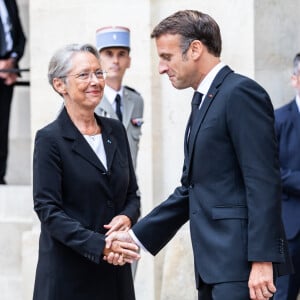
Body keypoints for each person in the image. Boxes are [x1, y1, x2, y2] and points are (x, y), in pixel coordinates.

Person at [105, 10, 292, 300]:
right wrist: (136, 239)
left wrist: (263, 260)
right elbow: (190, 190)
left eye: (166, 57)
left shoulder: (241, 93)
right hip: (212, 266)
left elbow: (263, 180)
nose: (161, 68)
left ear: (195, 49)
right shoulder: (203, 101)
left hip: (241, 266)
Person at [32, 43, 140, 300]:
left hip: (114, 273)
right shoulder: (50, 139)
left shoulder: (116, 130)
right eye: (84, 75)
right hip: (68, 276)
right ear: (60, 85)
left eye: (98, 73)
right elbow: (48, 211)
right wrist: (101, 245)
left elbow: (132, 195)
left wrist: (127, 218)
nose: (96, 81)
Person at [94, 26, 144, 170]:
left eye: (121, 54)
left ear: (129, 60)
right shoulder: (88, 100)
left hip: (129, 187)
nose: (115, 60)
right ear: (98, 60)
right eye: (109, 54)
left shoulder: (136, 101)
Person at [273, 53, 300, 300]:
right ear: (295, 79)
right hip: (290, 229)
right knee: (284, 295)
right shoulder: (278, 119)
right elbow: (271, 169)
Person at [0, 0, 26, 184]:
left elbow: (20, 37)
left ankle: (0, 176)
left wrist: (12, 62)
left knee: (2, 126)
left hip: (7, 75)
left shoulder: (9, 2)